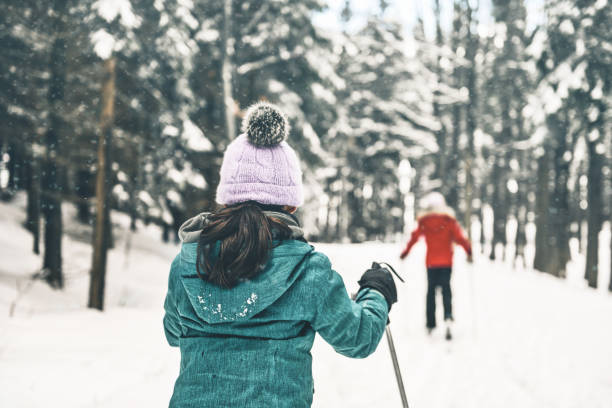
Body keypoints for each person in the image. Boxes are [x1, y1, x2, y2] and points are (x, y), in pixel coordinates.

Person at [163, 102, 397, 408]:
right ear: (290, 204)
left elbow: (172, 332)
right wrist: (376, 292)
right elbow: (358, 338)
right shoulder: (308, 270)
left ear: (227, 198)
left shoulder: (189, 261)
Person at [399, 192, 471, 340]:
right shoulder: (449, 221)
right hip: (446, 263)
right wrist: (469, 252)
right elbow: (460, 238)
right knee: (446, 290)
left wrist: (405, 253)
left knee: (431, 292)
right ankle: (448, 317)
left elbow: (414, 237)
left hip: (431, 263)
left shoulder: (424, 221)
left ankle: (430, 324)